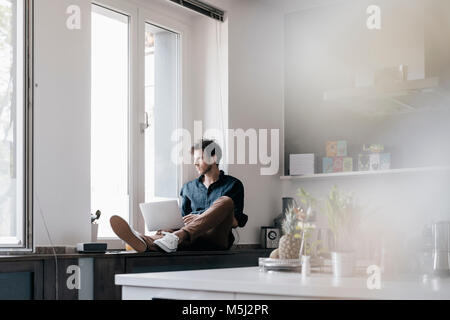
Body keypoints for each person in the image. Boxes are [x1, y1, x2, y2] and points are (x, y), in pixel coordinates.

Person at [110, 139, 248, 253]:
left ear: (214, 158)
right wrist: (168, 228)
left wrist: (200, 218)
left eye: (199, 158)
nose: (195, 163)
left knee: (226, 201)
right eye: (194, 159)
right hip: (192, 237)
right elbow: (182, 221)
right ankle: (145, 241)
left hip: (217, 238)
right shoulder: (188, 188)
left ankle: (173, 237)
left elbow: (235, 222)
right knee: (171, 235)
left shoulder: (233, 184)